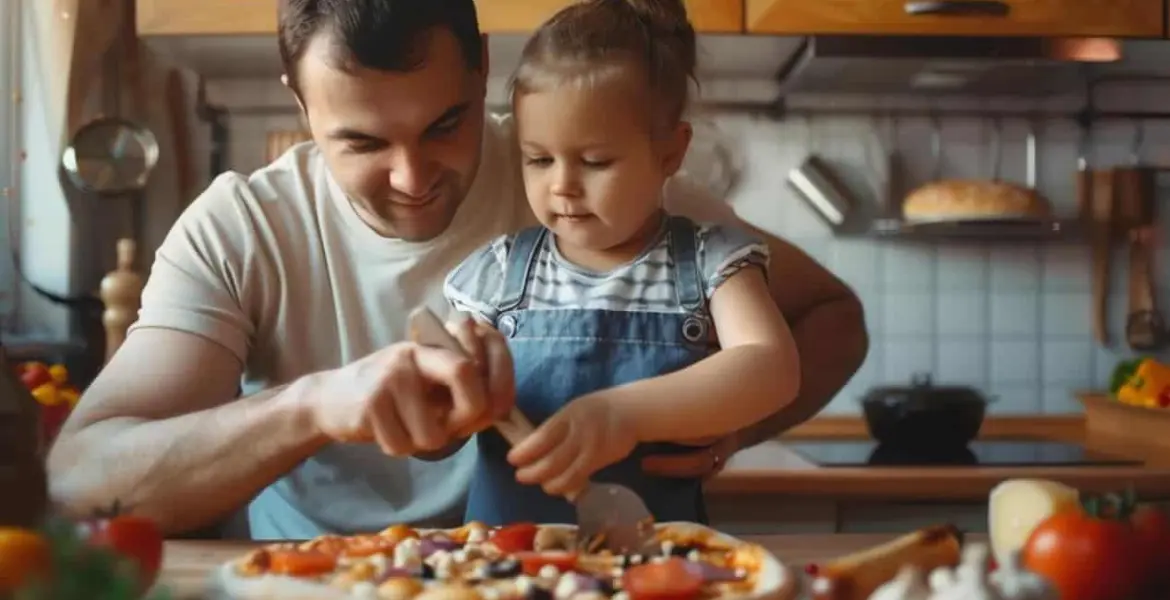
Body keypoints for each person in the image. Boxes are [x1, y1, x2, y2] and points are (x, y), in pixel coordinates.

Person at [45, 0, 868, 540]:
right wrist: (313, 405)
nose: (412, 177)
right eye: (362, 142)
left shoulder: (588, 182)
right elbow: (84, 479)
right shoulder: (244, 227)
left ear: (481, 68)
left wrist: (718, 426)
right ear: (301, 105)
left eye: (447, 124)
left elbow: (830, 314)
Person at [444, 0, 799, 526]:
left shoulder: (711, 262)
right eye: (538, 158)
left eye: (595, 161)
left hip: (657, 568)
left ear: (670, 154)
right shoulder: (496, 275)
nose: (562, 184)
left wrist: (622, 415)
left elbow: (773, 367)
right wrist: (454, 382)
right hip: (504, 568)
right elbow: (441, 412)